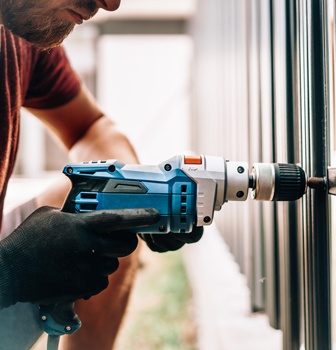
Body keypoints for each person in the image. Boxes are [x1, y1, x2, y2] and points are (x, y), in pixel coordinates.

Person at [0, 0, 203, 349]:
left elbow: (90, 129)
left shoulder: (19, 29)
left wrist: (137, 188)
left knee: (103, 212)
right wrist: (11, 268)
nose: (111, 3)